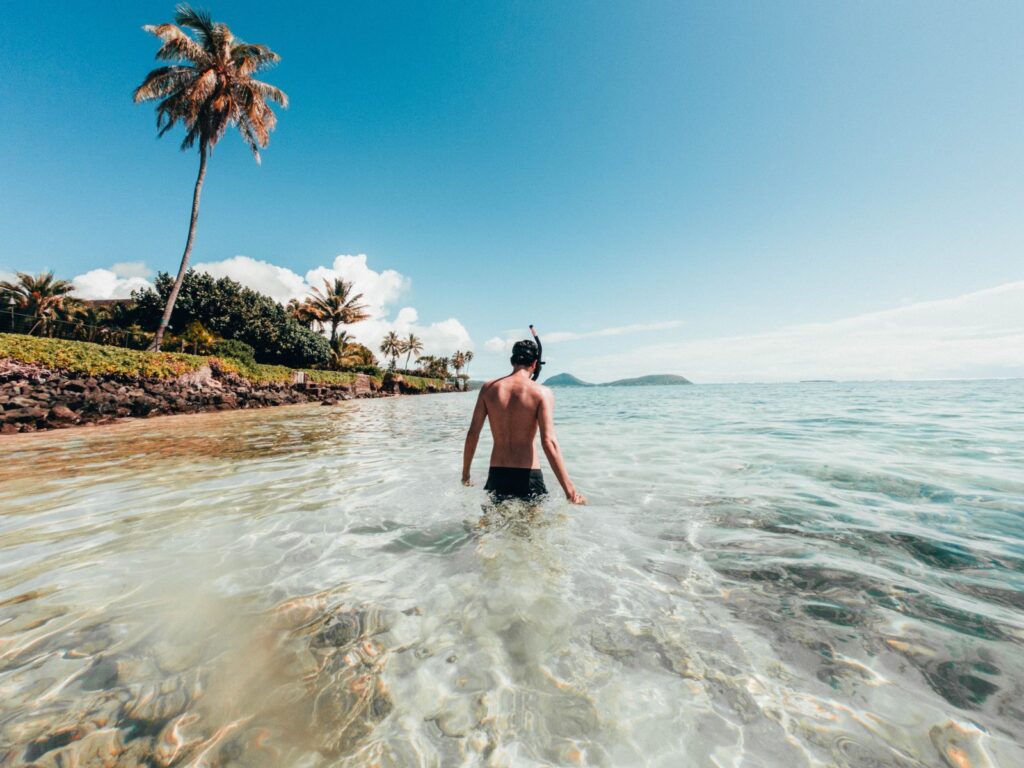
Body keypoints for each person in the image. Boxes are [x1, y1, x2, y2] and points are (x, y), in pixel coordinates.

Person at [462, 339, 586, 504]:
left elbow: (473, 434)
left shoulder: (488, 389)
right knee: (532, 529)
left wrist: (466, 475)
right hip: (529, 475)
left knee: (493, 528)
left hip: (497, 474)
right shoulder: (542, 393)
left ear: (512, 361)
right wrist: (570, 491)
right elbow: (548, 442)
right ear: (534, 364)